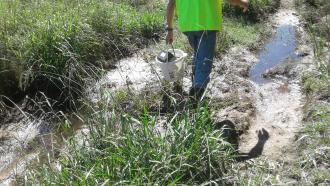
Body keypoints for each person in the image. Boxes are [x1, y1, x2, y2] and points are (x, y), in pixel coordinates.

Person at [166, 0, 249, 100]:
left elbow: (171, 3)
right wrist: (243, 3)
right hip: (207, 24)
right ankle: (196, 93)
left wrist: (170, 29)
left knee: (198, 54)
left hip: (187, 25)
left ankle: (195, 84)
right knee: (205, 60)